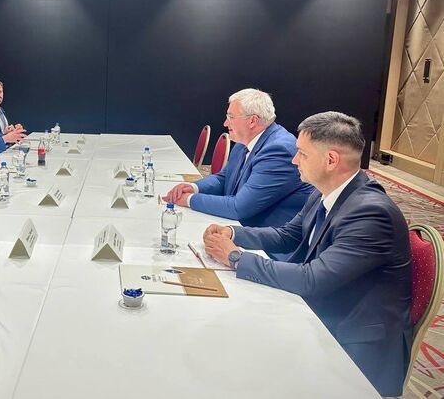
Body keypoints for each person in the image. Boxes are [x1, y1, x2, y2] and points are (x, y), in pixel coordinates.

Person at [203, 111, 412, 397]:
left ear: (331, 160)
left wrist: (236, 258)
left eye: (302, 153)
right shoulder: (325, 191)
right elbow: (287, 235)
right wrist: (233, 233)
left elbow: (313, 278)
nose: (294, 160)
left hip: (354, 344)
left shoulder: (370, 212)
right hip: (324, 308)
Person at [164, 88, 313, 236]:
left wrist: (189, 200)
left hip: (267, 237)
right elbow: (224, 178)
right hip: (242, 226)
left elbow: (239, 208)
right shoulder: (245, 141)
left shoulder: (278, 151)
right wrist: (193, 187)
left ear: (252, 121)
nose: (225, 123)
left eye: (231, 117)